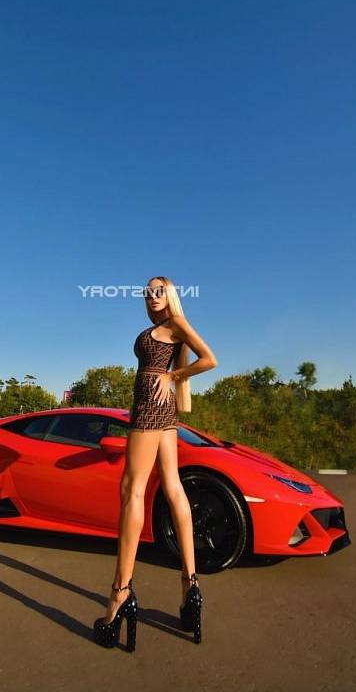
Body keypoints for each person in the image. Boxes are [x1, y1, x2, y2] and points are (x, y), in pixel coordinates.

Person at [92, 275, 218, 650]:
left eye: (158, 291)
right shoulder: (163, 327)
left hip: (151, 402)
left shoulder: (176, 322)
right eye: (147, 292)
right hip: (161, 408)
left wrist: (173, 375)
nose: (151, 296)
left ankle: (119, 593)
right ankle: (190, 587)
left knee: (132, 490)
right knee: (172, 485)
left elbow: (209, 359)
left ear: (170, 295)